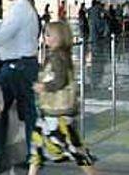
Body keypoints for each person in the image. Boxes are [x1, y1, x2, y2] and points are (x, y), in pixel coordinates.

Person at [0, 0, 40, 168]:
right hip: (22, 65)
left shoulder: (20, 9)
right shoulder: (22, 8)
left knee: (1, 108)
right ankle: (25, 154)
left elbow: (5, 33)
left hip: (17, 67)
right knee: (18, 110)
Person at [28, 21, 96, 175]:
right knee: (37, 147)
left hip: (58, 115)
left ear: (59, 37)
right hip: (52, 113)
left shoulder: (57, 57)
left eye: (48, 35)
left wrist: (44, 87)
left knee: (74, 149)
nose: (45, 38)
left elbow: (60, 80)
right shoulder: (62, 56)